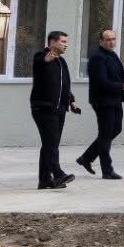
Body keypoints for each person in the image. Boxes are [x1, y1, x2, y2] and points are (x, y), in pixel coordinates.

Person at [77, 28, 124, 179]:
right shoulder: (97, 58)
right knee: (105, 134)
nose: (112, 42)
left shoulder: (113, 55)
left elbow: (118, 75)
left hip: (115, 99)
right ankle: (107, 170)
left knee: (116, 129)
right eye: (108, 39)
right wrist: (121, 86)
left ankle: (86, 157)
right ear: (101, 41)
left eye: (113, 39)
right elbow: (101, 82)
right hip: (103, 101)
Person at [31, 30, 78, 190]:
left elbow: (64, 85)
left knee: (50, 144)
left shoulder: (61, 62)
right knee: (51, 143)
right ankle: (58, 174)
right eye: (63, 41)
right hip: (43, 107)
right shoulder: (40, 57)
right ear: (52, 42)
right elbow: (40, 63)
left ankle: (44, 180)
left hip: (60, 109)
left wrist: (71, 100)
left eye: (66, 42)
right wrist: (46, 59)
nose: (66, 45)